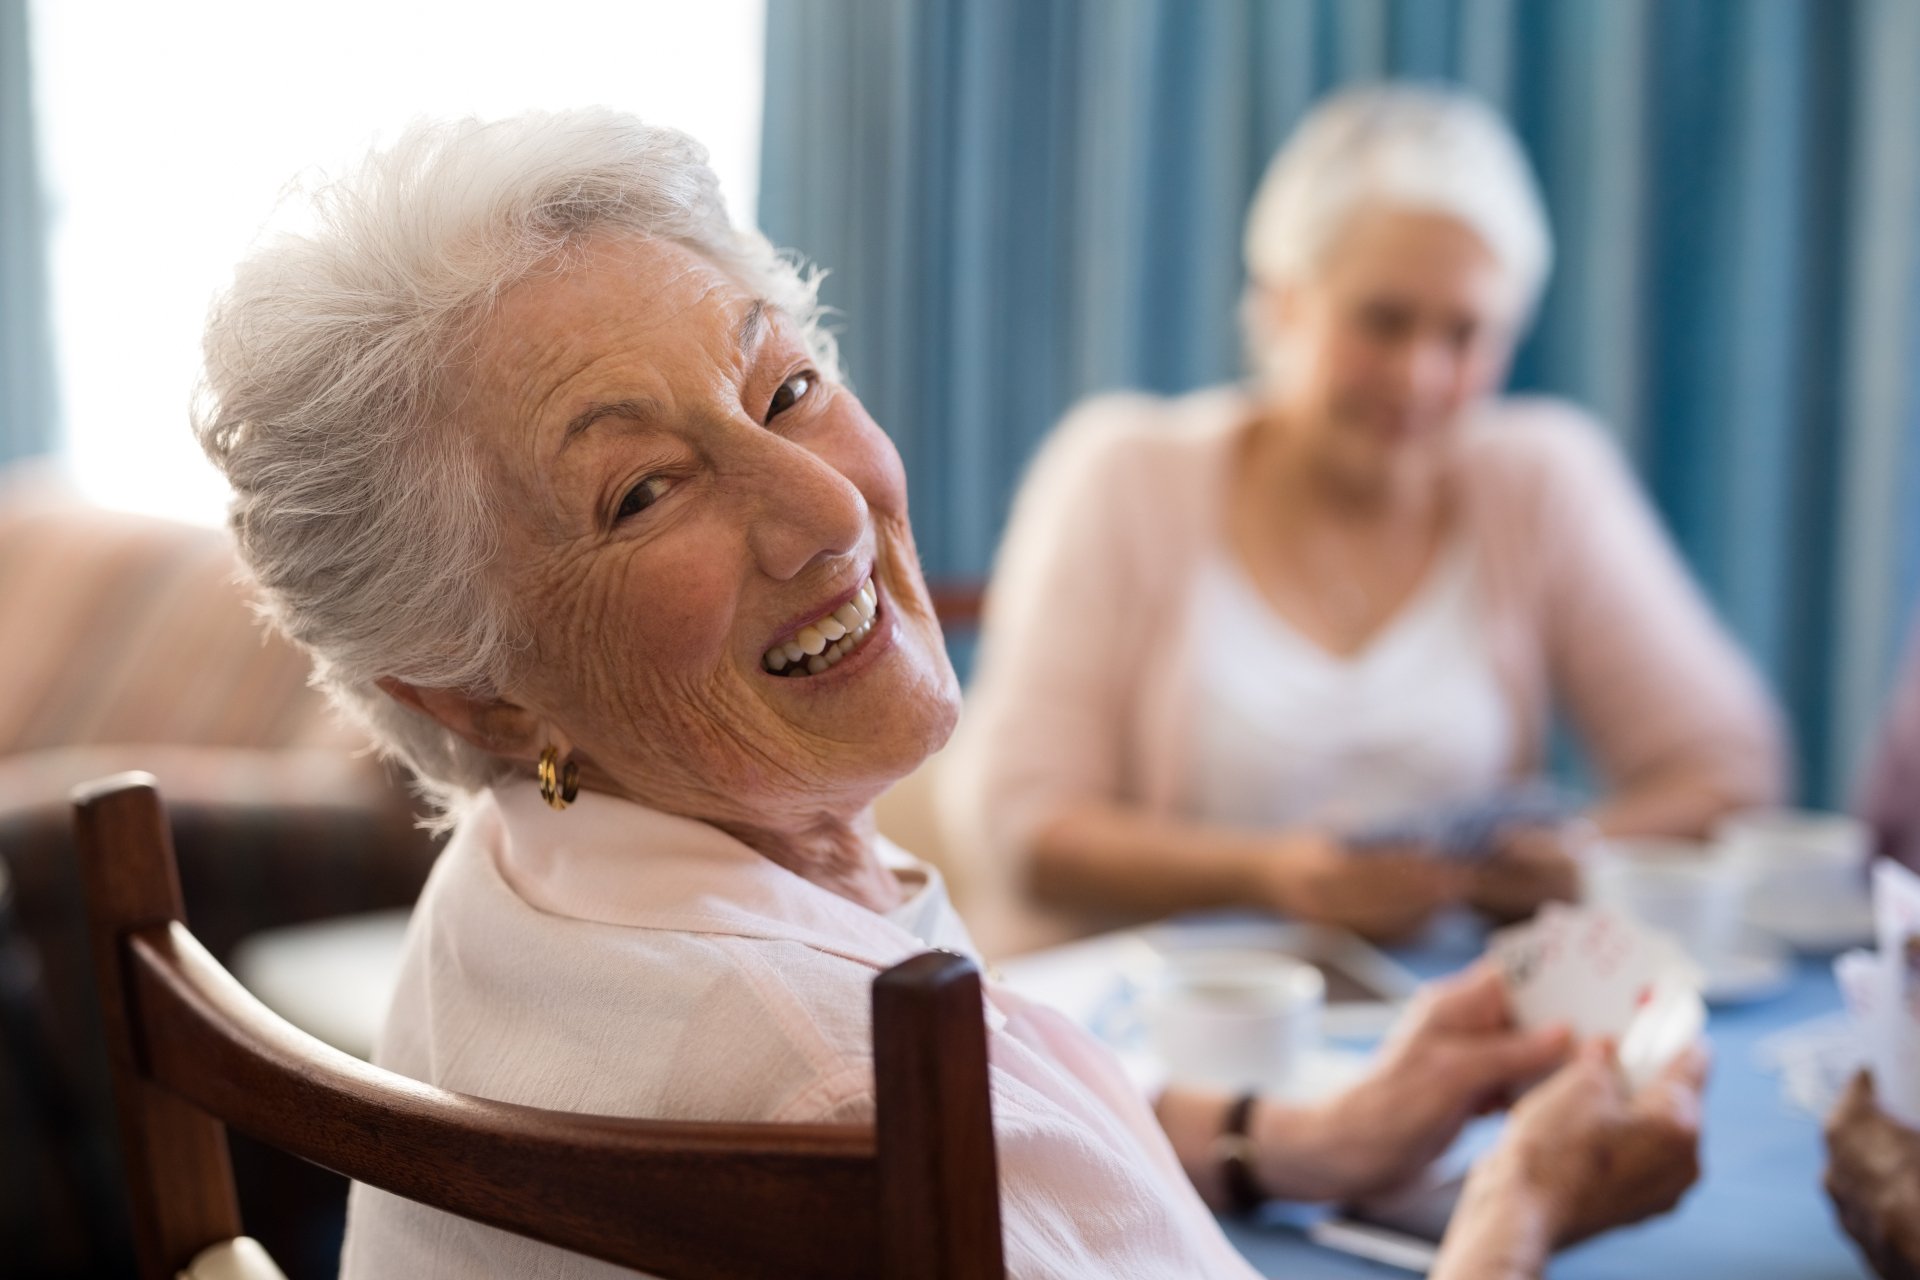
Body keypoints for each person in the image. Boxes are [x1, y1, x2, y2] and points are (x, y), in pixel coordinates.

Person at [194, 109, 1703, 1279]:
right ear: (478, 696)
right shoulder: (827, 1082)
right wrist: (1520, 1203)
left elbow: (989, 1133)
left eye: (785, 389)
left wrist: (1295, 1136)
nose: (829, 513)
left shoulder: (535, 862)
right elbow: (898, 1118)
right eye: (644, 492)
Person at [939, 84, 1784, 954]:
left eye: (1463, 335)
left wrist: (1585, 857)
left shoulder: (1542, 479)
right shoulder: (1121, 472)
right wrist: (1269, 875)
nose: (1419, 376)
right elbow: (1019, 826)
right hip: (1156, 1035)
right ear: (1283, 306)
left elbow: (1728, 770)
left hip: (1448, 1026)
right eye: (1382, 322)